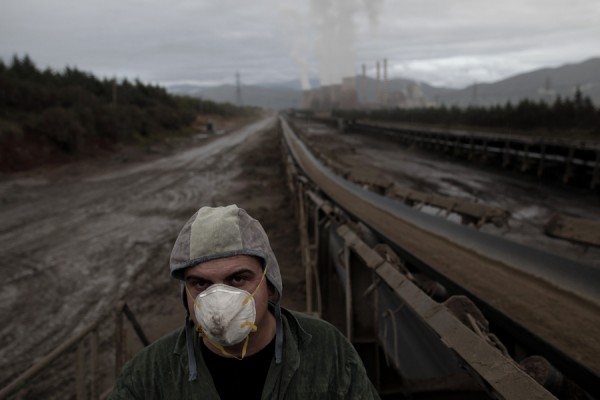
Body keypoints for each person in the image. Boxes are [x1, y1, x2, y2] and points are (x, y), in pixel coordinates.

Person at [109, 204, 380, 399]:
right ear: (186, 294)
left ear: (270, 285)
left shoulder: (326, 351)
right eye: (200, 283)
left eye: (238, 279)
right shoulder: (148, 376)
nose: (218, 299)